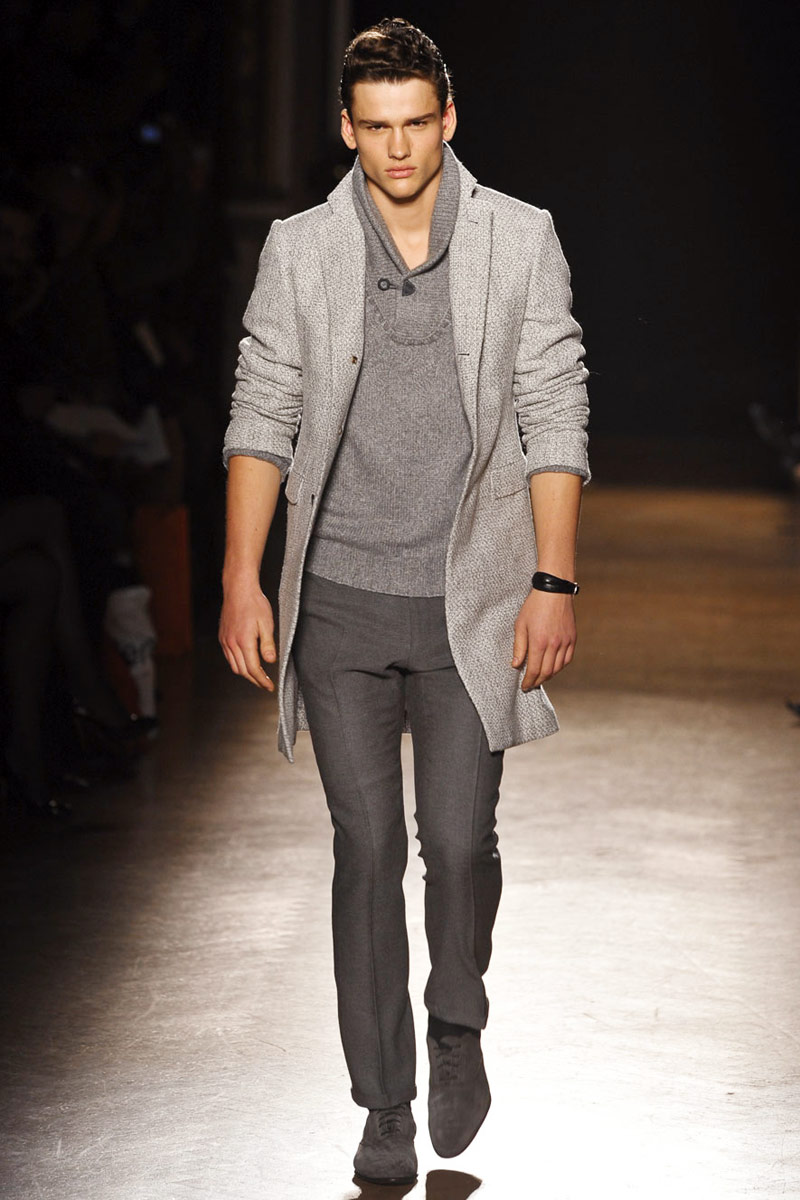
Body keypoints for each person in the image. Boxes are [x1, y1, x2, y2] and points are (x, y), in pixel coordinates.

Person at [219, 18, 590, 1187]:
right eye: (374, 127)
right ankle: (384, 1103)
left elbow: (554, 407)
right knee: (366, 847)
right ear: (346, 127)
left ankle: (455, 1020)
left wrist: (551, 579)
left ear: (446, 118)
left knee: (460, 846)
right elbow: (262, 406)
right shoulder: (299, 251)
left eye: (414, 125)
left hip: (470, 600)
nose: (395, 149)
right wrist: (238, 577)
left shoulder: (518, 238)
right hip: (338, 602)